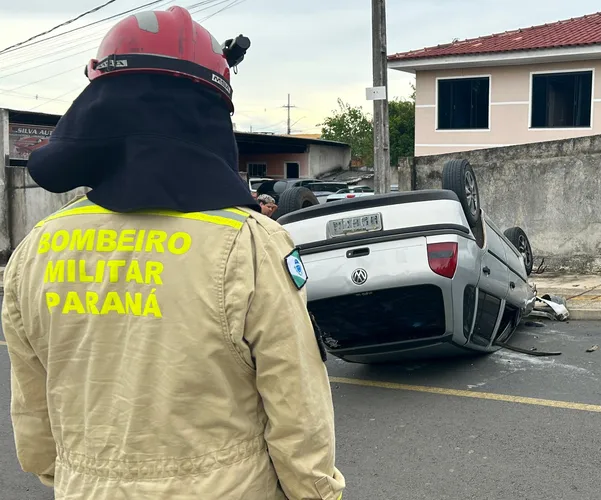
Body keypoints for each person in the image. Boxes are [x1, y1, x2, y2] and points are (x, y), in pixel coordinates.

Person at [0, 6, 345, 499]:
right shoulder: (251, 244)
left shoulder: (37, 250)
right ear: (210, 117)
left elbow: (34, 426)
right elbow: (298, 411)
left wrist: (85, 477)